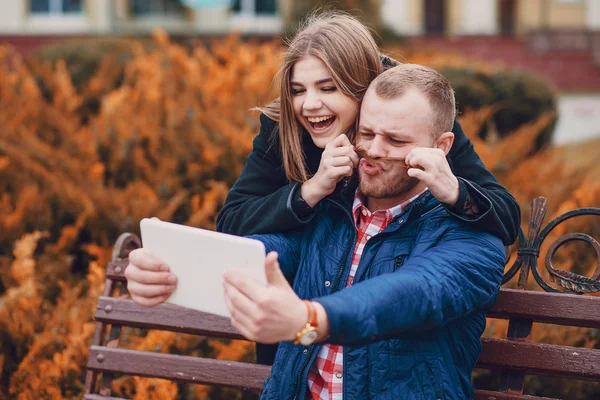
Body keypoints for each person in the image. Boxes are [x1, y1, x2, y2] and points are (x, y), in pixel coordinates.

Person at [125, 64, 506, 399]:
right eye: (367, 132)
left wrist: (309, 319)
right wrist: (168, 270)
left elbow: (413, 293)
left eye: (396, 140)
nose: (373, 151)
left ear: (440, 147)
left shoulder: (470, 233)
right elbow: (263, 255)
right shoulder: (330, 209)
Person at [216, 12, 520, 250]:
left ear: (360, 88)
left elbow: (507, 220)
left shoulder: (414, 113)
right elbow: (232, 221)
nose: (309, 104)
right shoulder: (284, 126)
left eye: (328, 87)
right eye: (297, 90)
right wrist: (311, 190)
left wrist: (455, 191)